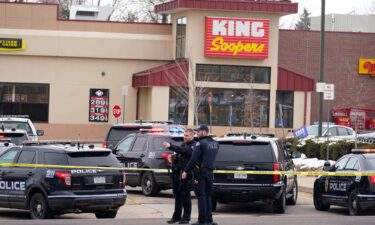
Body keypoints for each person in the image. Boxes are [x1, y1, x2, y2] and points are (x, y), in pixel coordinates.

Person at [181, 124, 219, 225]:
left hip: (200, 174)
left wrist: (185, 170)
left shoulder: (200, 143)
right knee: (208, 196)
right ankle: (209, 220)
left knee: (201, 197)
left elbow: (193, 159)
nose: (197, 133)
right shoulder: (215, 143)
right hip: (210, 173)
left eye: (198, 131)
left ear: (204, 132)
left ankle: (202, 221)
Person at [163, 129, 195, 224]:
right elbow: (180, 154)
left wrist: (171, 146)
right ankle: (176, 216)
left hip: (188, 174)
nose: (185, 137)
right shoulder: (183, 144)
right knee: (177, 196)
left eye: (187, 135)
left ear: (192, 136)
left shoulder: (194, 146)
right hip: (178, 174)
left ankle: (186, 218)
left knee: (185, 196)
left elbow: (185, 151)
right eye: (184, 135)